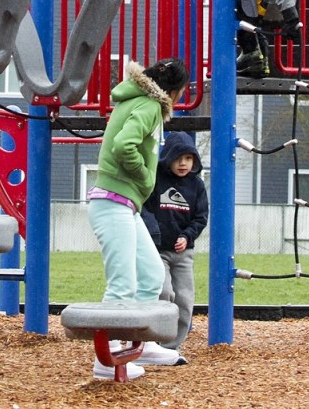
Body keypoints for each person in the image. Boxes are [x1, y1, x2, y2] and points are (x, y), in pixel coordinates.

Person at [88, 58, 190, 379]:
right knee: (122, 283)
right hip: (111, 202)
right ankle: (106, 362)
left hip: (124, 205)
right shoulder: (149, 107)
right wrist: (145, 176)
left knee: (150, 275)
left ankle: (139, 345)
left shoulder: (138, 101)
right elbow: (123, 145)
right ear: (172, 92)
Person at [142, 130, 209, 356]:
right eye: (178, 158)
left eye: (188, 159)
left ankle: (171, 346)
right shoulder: (156, 179)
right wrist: (156, 234)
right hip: (158, 251)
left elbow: (201, 218)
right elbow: (146, 209)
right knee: (164, 292)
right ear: (167, 158)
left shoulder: (196, 185)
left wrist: (187, 236)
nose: (183, 164)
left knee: (184, 299)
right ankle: (154, 342)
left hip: (183, 254)